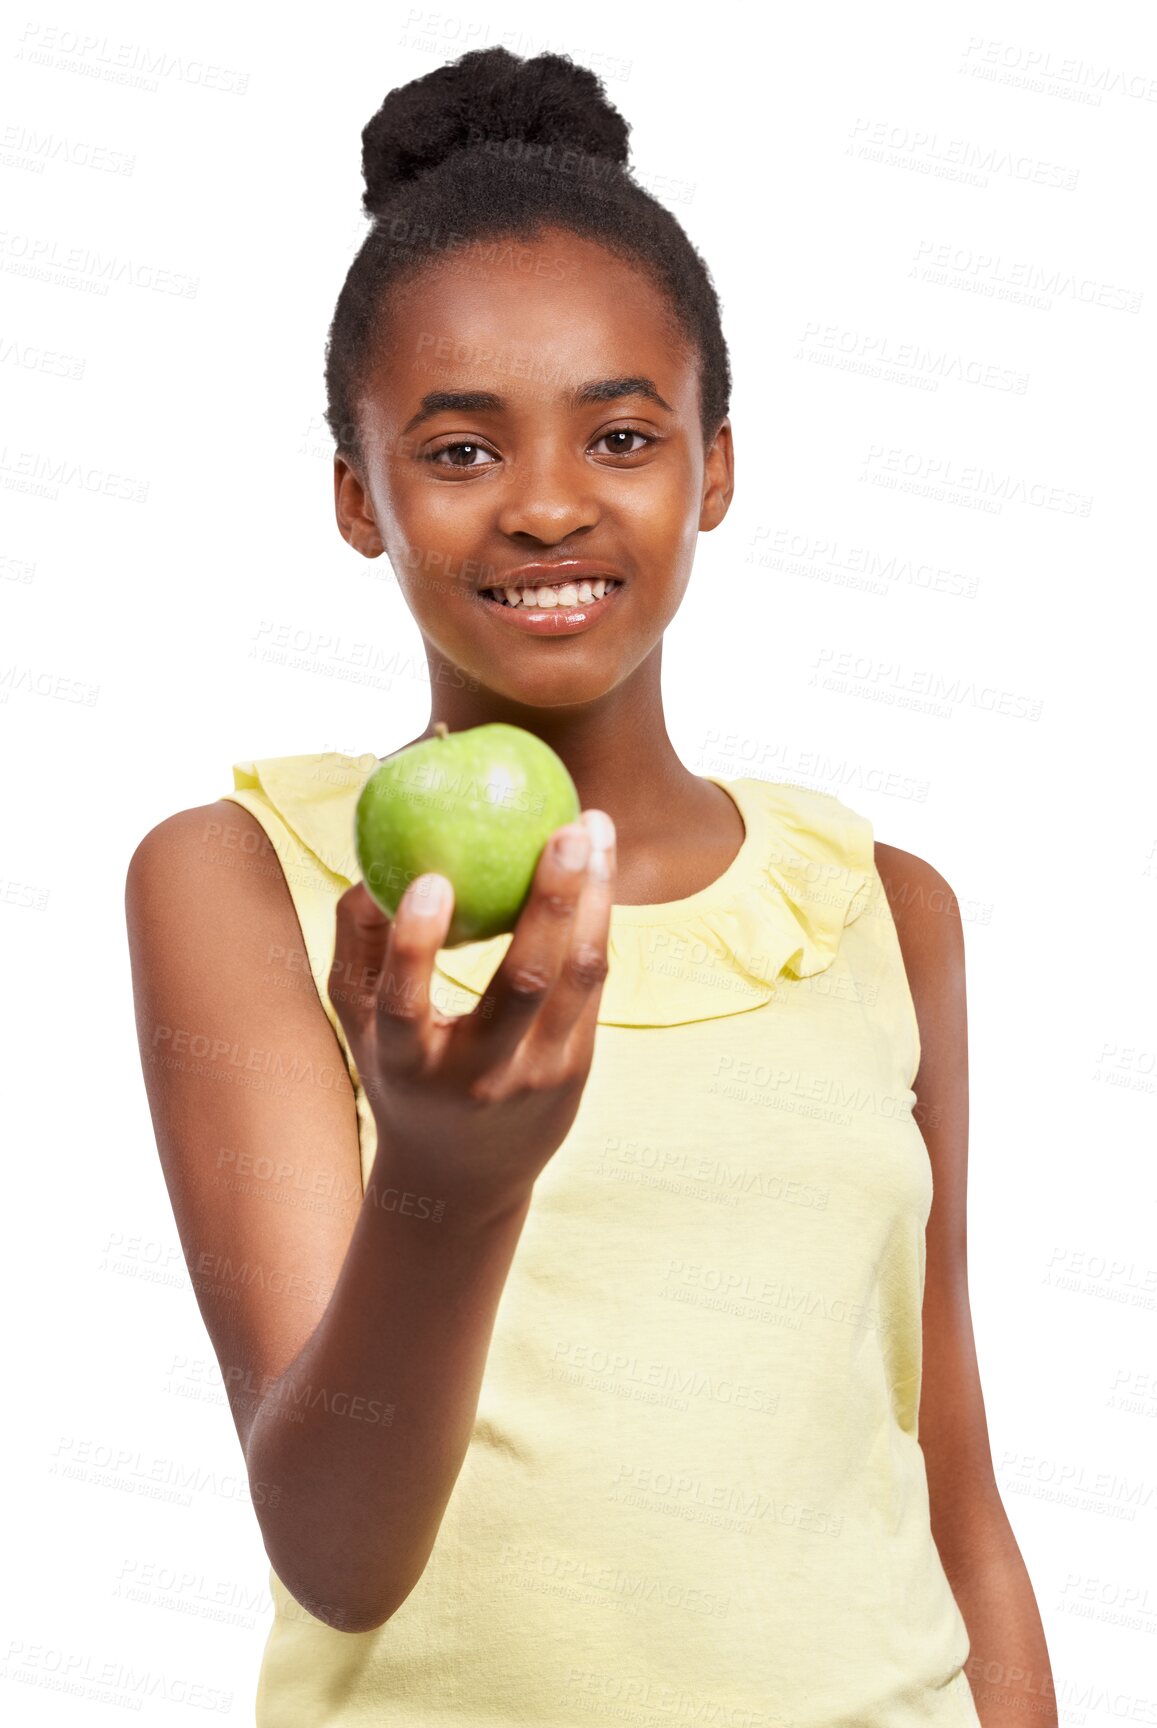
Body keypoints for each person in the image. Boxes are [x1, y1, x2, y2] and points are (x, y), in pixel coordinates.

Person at [125, 45, 1056, 1728]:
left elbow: (956, 1497)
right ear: (360, 498)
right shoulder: (253, 882)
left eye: (620, 434)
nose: (549, 504)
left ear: (712, 467)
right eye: (461, 451)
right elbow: (333, 1550)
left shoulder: (879, 908)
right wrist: (449, 1181)